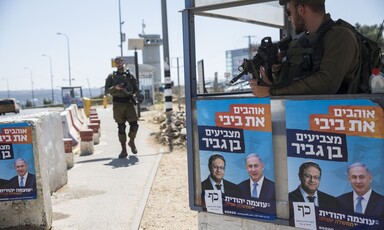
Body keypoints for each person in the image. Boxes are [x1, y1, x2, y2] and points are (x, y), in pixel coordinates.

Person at [249, 0, 360, 97]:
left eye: (289, 12)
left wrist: (272, 91)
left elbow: (326, 83)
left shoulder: (340, 35)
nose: (289, 18)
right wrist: (275, 77)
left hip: (342, 116)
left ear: (301, 10)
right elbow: (302, 84)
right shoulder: (311, 41)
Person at [105, 57, 139, 158]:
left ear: (123, 63)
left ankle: (131, 141)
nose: (119, 64)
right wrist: (115, 88)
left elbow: (136, 89)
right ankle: (123, 150)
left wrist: (136, 96)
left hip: (129, 103)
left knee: (134, 125)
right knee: (121, 127)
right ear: (115, 65)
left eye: (120, 62)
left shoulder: (130, 76)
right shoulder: (111, 77)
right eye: (117, 63)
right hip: (118, 104)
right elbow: (106, 90)